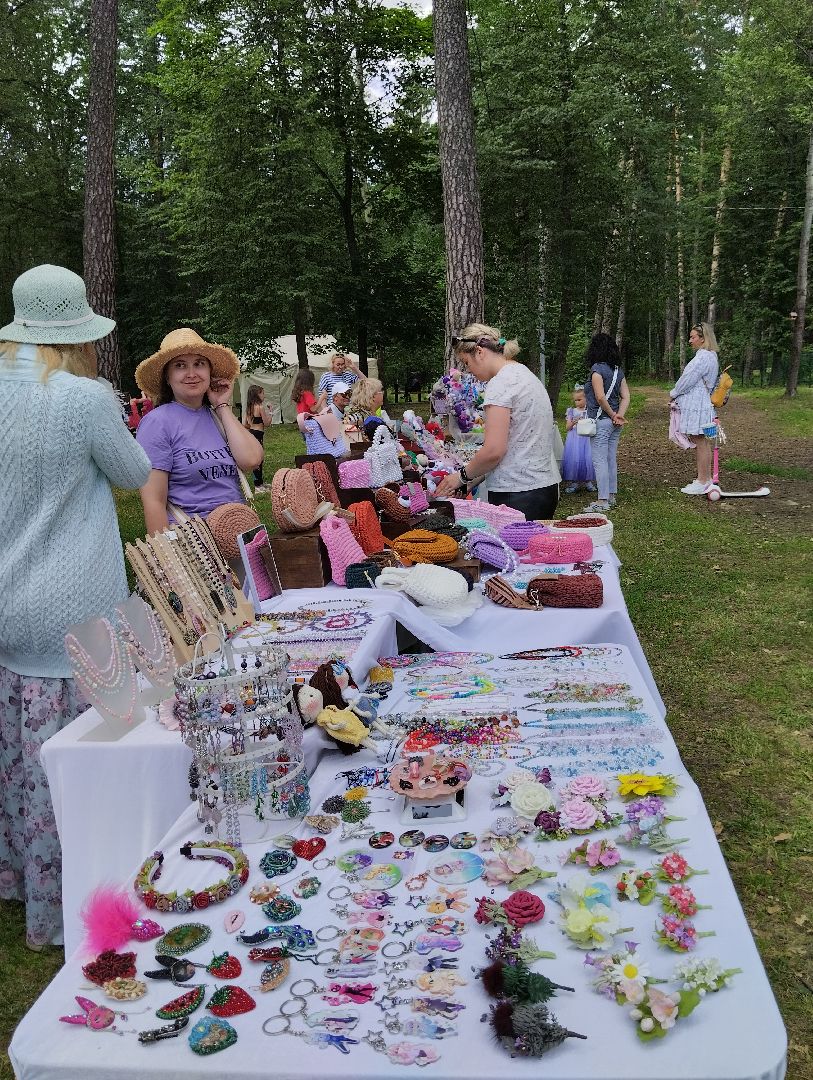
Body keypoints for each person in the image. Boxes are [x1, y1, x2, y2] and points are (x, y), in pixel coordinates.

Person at [0, 264, 152, 949]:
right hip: (78, 599)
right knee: (100, 747)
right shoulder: (84, 396)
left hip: (10, 598)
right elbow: (134, 473)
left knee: (26, 753)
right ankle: (99, 874)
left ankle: (25, 878)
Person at [135, 327, 263, 534]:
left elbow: (251, 460)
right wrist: (167, 559)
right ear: (167, 377)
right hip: (194, 544)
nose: (192, 374)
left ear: (210, 372)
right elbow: (154, 502)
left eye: (199, 364)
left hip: (239, 533)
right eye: (180, 366)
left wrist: (221, 406)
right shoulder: (157, 423)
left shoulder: (217, 416)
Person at [435, 324, 561, 519]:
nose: (469, 371)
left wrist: (460, 477)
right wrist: (472, 480)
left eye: (467, 363)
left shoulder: (500, 384)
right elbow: (516, 446)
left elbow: (494, 451)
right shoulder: (523, 373)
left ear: (479, 352)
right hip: (541, 487)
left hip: (517, 493)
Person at [581, 332, 630, 513]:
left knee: (600, 460)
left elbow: (600, 397)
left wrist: (611, 415)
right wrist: (619, 415)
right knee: (611, 458)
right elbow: (626, 396)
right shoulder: (618, 371)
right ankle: (611, 495)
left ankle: (602, 500)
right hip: (615, 423)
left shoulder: (596, 370)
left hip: (601, 421)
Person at [669, 322, 720, 495]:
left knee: (700, 441)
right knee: (702, 441)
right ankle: (703, 477)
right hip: (703, 402)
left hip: (698, 403)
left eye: (693, 337)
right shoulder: (711, 356)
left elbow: (687, 379)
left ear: (702, 338)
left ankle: (703, 480)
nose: (690, 340)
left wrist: (674, 392)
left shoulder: (702, 357)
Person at [561, 384, 597, 494]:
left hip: (586, 439)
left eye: (579, 399)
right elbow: (567, 428)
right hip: (574, 439)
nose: (577, 402)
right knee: (575, 459)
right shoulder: (572, 411)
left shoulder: (590, 411)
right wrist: (573, 422)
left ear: (586, 398)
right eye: (575, 400)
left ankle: (588, 481)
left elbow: (593, 423)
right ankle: (574, 482)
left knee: (587, 459)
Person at [244, 384, 272, 492]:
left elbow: (246, 424)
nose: (264, 395)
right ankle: (258, 486)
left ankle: (260, 482)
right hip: (258, 434)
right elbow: (267, 423)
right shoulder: (259, 407)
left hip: (252, 433)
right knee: (259, 459)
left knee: (257, 458)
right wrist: (271, 411)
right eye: (262, 393)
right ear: (257, 394)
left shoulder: (249, 407)